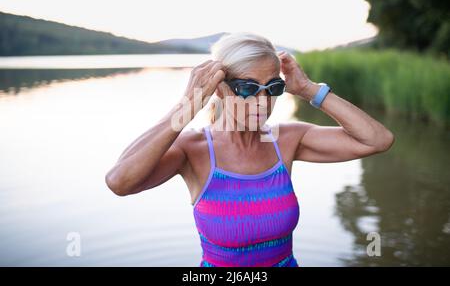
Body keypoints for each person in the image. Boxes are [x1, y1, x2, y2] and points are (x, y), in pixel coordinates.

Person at [105, 32, 395, 267]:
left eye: (272, 89)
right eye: (247, 88)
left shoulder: (287, 139)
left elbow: (377, 140)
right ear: (220, 89)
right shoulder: (192, 150)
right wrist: (187, 106)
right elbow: (120, 182)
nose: (262, 101)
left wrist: (308, 89)